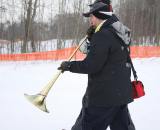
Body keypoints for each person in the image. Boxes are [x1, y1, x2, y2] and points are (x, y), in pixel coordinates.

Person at [58, 1, 135, 130]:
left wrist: (70, 66)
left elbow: (91, 65)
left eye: (92, 16)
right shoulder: (117, 32)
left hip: (103, 96)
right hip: (120, 94)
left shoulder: (103, 35)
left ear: (100, 16)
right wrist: (91, 40)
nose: (90, 20)